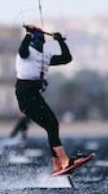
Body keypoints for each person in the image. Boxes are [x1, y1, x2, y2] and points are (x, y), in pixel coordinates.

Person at [15, 25, 78, 173]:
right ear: (32, 42)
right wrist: (28, 34)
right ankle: (64, 161)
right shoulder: (26, 53)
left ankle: (58, 165)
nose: (41, 44)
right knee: (52, 125)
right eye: (39, 41)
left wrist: (60, 41)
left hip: (35, 96)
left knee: (52, 126)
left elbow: (66, 58)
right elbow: (22, 51)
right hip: (25, 97)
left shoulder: (45, 56)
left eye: (42, 42)